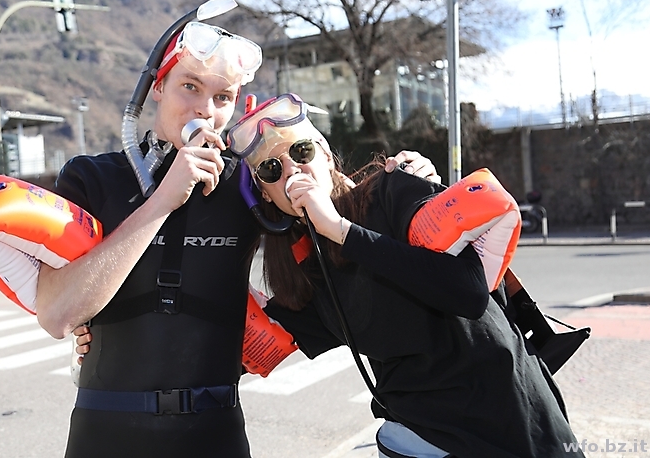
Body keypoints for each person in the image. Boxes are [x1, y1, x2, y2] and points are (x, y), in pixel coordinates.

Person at [36, 8, 440, 458]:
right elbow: (56, 315)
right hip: (105, 430)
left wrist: (402, 180)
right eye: (190, 86)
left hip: (214, 430)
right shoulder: (92, 177)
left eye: (223, 97)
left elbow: (337, 215)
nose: (205, 110)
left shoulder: (247, 183)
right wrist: (164, 198)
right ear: (158, 87)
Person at [221, 92, 585, 458]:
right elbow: (234, 351)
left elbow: (469, 292)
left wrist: (341, 230)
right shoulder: (308, 271)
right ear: (265, 195)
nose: (292, 170)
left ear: (326, 155)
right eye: (271, 169)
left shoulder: (393, 190)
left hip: (504, 422)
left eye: (302, 151)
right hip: (415, 439)